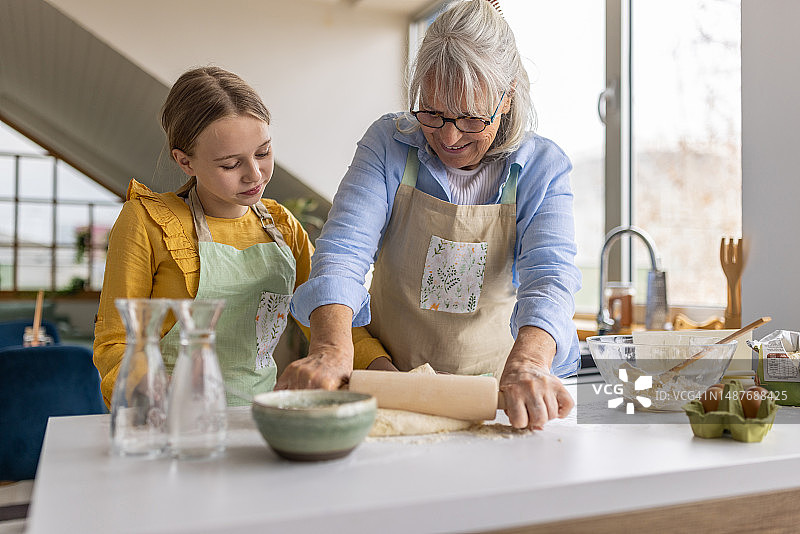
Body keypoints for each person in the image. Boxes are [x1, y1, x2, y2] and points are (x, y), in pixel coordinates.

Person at [279, 0, 581, 430]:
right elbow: (343, 252)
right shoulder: (389, 144)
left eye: (470, 118)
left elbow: (550, 276)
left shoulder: (541, 167)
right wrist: (330, 349)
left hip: (497, 399)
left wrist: (530, 363)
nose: (449, 137)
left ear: (508, 96)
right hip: (390, 388)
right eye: (433, 113)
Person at [94, 66, 388, 407]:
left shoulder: (283, 226)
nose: (254, 174)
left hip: (260, 418)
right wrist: (163, 394)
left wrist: (390, 372)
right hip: (170, 418)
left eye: (263, 153)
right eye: (231, 164)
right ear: (185, 161)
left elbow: (333, 319)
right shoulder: (147, 222)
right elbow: (115, 344)